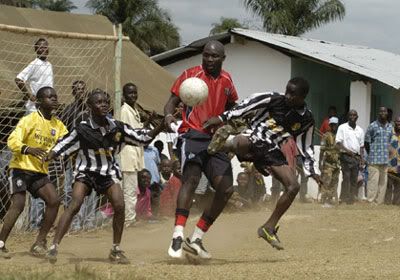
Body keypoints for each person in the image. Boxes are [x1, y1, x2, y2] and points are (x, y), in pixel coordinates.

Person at [44, 89, 164, 264]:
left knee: (120, 205)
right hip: (86, 172)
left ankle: (115, 249)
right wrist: (51, 154)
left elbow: (142, 139)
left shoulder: (117, 127)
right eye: (99, 102)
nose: (104, 105)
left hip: (108, 173)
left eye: (106, 102)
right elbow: (65, 144)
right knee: (75, 204)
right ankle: (54, 246)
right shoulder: (82, 129)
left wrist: (161, 126)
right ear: (90, 107)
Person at [205, 77, 321, 250]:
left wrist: (313, 170)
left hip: (272, 149)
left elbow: (305, 146)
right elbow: (247, 104)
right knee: (241, 143)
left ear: (303, 96)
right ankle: (224, 143)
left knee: (293, 186)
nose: (287, 96)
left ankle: (268, 227)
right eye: (287, 91)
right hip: (254, 136)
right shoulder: (273, 98)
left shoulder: (307, 119)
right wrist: (222, 117)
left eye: (293, 94)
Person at [164, 40, 238, 259]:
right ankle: (177, 234)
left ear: (222, 58)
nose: (209, 59)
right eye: (206, 55)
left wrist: (225, 122)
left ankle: (196, 237)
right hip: (193, 134)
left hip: (216, 140)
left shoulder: (227, 80)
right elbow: (171, 102)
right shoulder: (189, 75)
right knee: (192, 180)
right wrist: (169, 116)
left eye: (214, 56)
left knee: (225, 190)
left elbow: (234, 106)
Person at [0, 87, 67, 259]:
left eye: (55, 96)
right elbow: (12, 140)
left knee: (54, 201)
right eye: (49, 97)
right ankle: (1, 243)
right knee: (19, 204)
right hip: (21, 168)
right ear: (38, 101)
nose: (54, 99)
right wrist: (28, 148)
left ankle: (39, 243)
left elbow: (68, 142)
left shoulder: (58, 125)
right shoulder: (29, 120)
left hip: (39, 172)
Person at [60, 80, 96, 231]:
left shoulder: (92, 109)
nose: (80, 92)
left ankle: (89, 221)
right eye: (77, 90)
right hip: (74, 157)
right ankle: (75, 222)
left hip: (91, 156)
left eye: (83, 89)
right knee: (73, 190)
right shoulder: (68, 110)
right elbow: (64, 133)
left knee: (92, 189)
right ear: (73, 92)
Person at [119, 83, 146, 227]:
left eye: (135, 92)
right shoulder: (124, 111)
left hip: (134, 152)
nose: (133, 96)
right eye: (130, 93)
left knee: (130, 188)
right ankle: (129, 219)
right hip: (128, 153)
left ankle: (129, 217)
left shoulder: (134, 110)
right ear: (124, 95)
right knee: (129, 189)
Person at [15, 38, 53, 115]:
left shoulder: (49, 65)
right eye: (41, 47)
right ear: (36, 49)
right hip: (34, 108)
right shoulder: (34, 64)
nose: (43, 49)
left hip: (46, 106)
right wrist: (29, 95)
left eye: (45, 47)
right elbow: (18, 79)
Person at [335, 110, 365, 204]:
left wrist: (362, 159)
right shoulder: (342, 127)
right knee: (346, 178)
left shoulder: (360, 130)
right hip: (345, 156)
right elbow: (338, 143)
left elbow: (361, 146)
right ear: (348, 116)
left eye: (354, 115)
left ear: (357, 117)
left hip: (356, 157)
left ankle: (351, 200)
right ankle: (343, 199)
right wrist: (348, 151)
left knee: (354, 179)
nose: (352, 116)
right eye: (350, 115)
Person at [364, 107, 392, 204]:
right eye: (381, 111)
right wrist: (371, 153)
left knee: (382, 184)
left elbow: (390, 142)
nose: (383, 113)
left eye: (385, 111)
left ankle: (379, 202)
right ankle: (371, 202)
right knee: (373, 182)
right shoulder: (372, 126)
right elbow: (366, 142)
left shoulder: (390, 127)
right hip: (374, 160)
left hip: (385, 160)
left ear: (387, 113)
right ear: (378, 113)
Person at [319, 116, 340, 207]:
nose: (334, 126)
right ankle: (323, 200)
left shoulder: (339, 136)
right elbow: (322, 150)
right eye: (332, 125)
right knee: (326, 182)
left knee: (334, 182)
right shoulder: (326, 135)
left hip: (337, 164)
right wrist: (320, 162)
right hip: (328, 163)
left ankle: (330, 199)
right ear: (330, 125)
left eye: (335, 124)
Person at [386, 115, 400, 205]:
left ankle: (396, 203)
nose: (399, 124)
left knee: (398, 187)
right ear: (394, 122)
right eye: (397, 122)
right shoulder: (389, 133)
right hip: (390, 165)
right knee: (388, 186)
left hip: (399, 166)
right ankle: (387, 203)